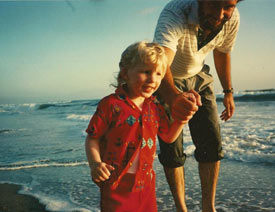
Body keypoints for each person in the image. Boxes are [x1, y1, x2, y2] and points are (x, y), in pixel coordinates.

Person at [153, 0, 243, 211]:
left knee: (211, 143)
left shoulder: (232, 17)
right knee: (172, 149)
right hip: (167, 79)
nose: (220, 14)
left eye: (228, 6)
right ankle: (181, 208)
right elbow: (160, 63)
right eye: (214, 4)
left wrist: (228, 92)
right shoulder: (175, 13)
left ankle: (207, 207)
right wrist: (174, 98)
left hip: (199, 77)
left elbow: (221, 51)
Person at [85, 41, 194, 212]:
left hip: (146, 183)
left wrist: (180, 121)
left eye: (159, 74)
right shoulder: (110, 104)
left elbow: (167, 137)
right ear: (125, 73)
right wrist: (95, 164)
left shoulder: (155, 106)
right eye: (146, 72)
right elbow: (93, 138)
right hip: (116, 182)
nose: (153, 79)